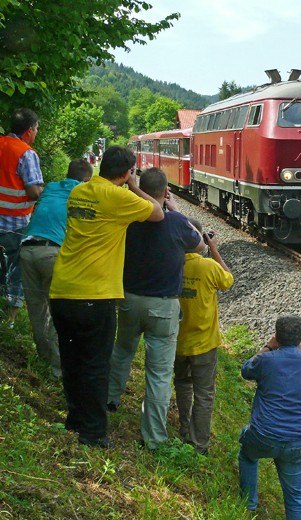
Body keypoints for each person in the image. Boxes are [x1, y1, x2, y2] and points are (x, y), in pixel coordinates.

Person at [49, 146, 164, 449]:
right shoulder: (120, 197)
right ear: (126, 173)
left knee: (72, 361)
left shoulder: (79, 192)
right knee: (97, 366)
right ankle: (94, 433)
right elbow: (158, 212)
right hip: (94, 295)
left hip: (62, 290)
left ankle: (75, 419)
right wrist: (135, 186)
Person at [106, 168, 204, 450]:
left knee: (122, 351)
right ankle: (154, 437)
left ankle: (110, 402)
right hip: (163, 306)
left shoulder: (128, 219)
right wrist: (175, 209)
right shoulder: (175, 221)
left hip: (129, 299)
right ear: (165, 192)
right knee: (159, 373)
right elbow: (199, 246)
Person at [238, 314, 301, 519]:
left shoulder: (265, 360)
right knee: (295, 497)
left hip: (263, 435)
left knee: (247, 454)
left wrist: (268, 346)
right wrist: (299, 348)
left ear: (276, 336)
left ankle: (249, 505)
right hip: (296, 441)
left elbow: (245, 370)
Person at [19, 159, 92, 378]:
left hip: (27, 249)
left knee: (36, 308)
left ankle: (43, 356)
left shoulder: (50, 187)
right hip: (52, 252)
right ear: (86, 180)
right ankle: (58, 368)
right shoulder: (82, 194)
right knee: (60, 310)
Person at [0, 108, 44, 323]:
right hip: (13, 222)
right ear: (29, 131)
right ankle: (9, 319)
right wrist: (45, 193)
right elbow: (33, 191)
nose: (36, 132)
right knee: (14, 268)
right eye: (37, 129)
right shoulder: (27, 153)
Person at [173, 217, 233, 454]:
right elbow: (228, 280)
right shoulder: (208, 267)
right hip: (204, 343)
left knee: (182, 384)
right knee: (204, 394)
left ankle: (184, 427)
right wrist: (215, 250)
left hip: (177, 340)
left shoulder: (172, 261)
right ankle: (199, 445)